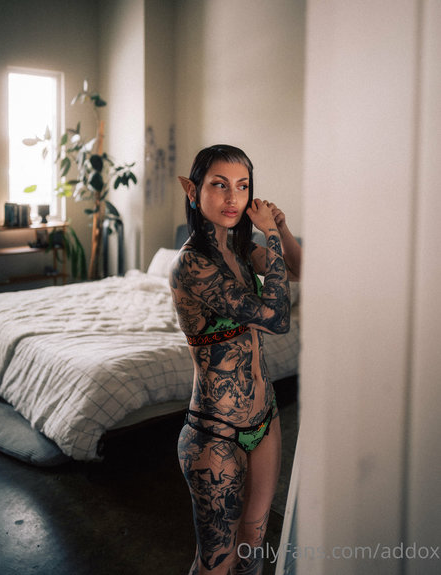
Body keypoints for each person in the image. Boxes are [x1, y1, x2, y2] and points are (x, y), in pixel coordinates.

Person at [169, 144, 301, 574]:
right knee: (216, 562)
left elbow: (300, 270)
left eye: (243, 187)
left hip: (265, 420)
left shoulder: (242, 252)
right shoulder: (191, 264)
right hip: (215, 435)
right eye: (219, 185)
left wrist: (281, 226)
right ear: (193, 191)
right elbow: (277, 318)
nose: (233, 198)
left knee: (253, 544)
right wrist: (271, 235)